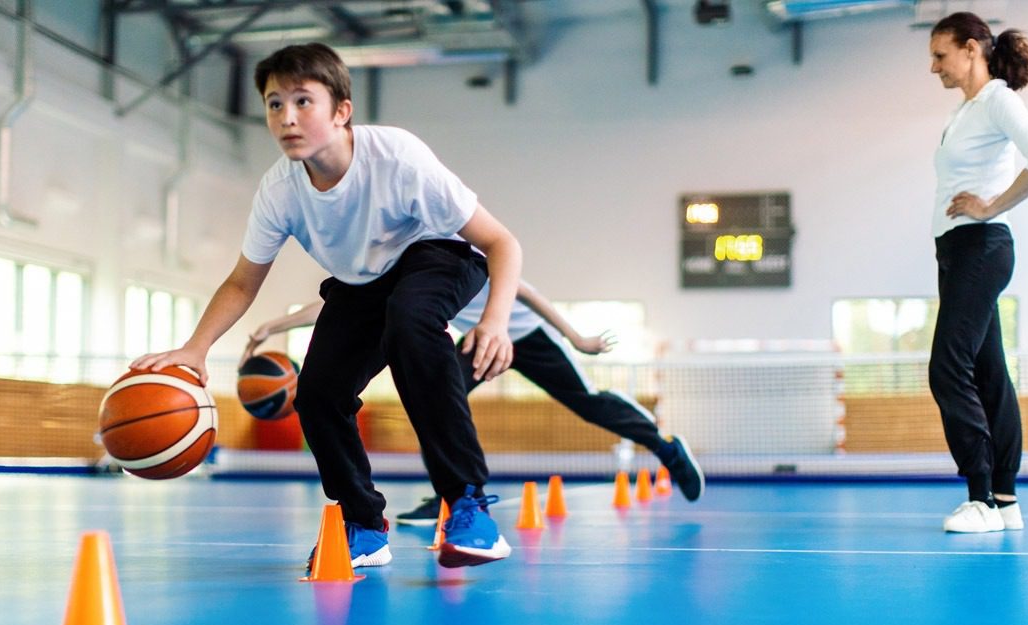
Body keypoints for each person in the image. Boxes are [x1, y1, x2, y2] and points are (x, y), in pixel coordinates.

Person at [132, 43, 523, 569]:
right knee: (317, 395)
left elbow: (501, 243)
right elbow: (242, 282)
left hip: (439, 254)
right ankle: (363, 523)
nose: (287, 118)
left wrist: (496, 322)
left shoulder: (398, 157)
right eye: (274, 104)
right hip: (361, 281)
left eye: (302, 101)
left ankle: (468, 502)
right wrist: (195, 349)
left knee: (411, 324)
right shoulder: (280, 192)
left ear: (342, 111)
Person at [242, 279, 706, 526]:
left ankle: (666, 448)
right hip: (480, 341)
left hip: (523, 335)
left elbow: (524, 289)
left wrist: (577, 336)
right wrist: (277, 326)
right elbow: (341, 307)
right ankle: (454, 495)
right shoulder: (398, 266)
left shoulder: (457, 246)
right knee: (434, 398)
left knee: (586, 403)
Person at [926, 13, 1028, 533]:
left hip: (981, 247)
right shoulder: (967, 111)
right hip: (957, 253)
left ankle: (979, 497)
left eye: (940, 55)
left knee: (947, 367)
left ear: (971, 49)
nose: (934, 67)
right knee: (989, 376)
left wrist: (991, 206)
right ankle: (1005, 500)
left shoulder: (998, 99)